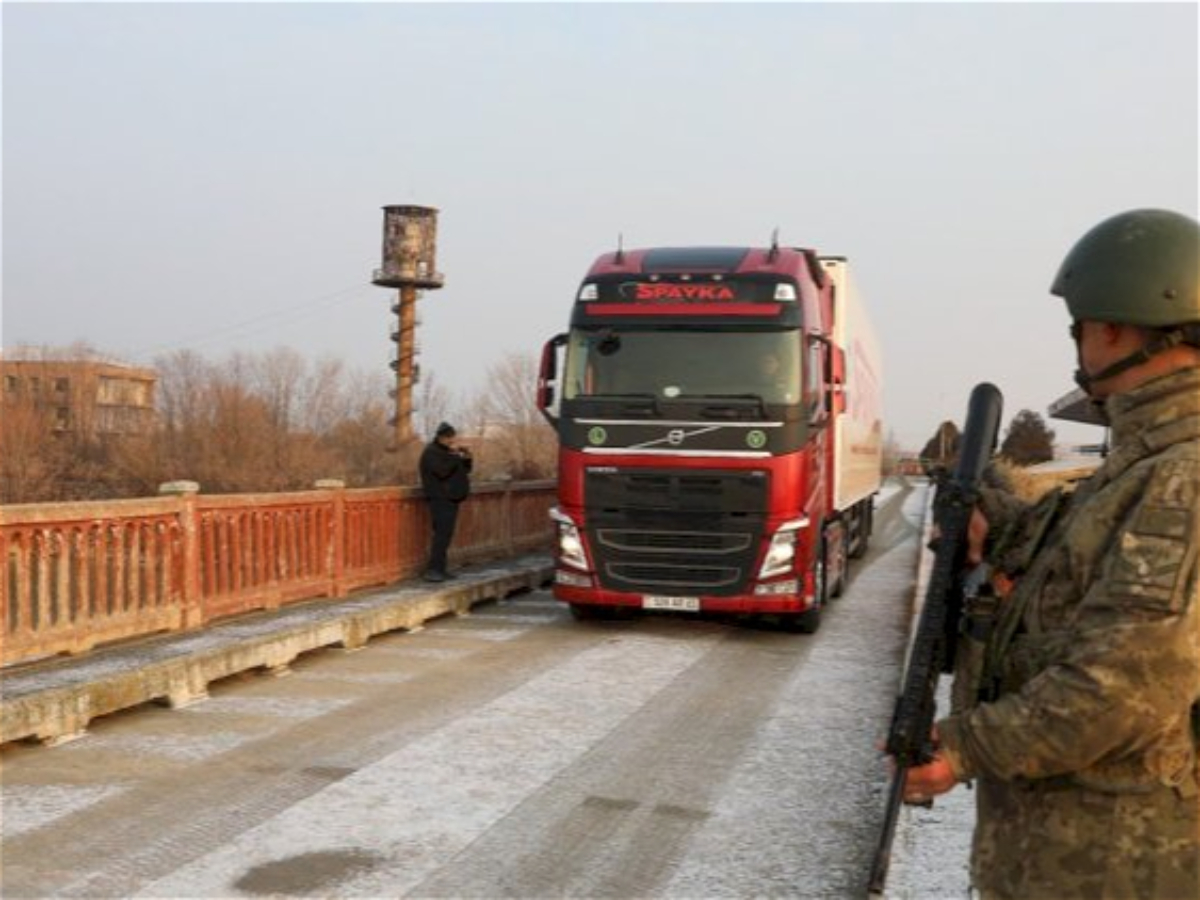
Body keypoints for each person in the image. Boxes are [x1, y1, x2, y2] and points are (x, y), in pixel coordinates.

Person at [901, 208, 1200, 900]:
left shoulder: (1180, 478)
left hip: (1113, 868)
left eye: (1080, 325)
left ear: (1112, 327)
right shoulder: (1140, 464)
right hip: (1069, 858)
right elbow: (1068, 563)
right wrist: (991, 520)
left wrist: (960, 748)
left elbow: (1126, 692)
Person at [418, 421, 472, 582]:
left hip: (451, 498)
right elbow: (442, 472)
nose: (451, 441)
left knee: (446, 535)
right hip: (440, 499)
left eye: (452, 438)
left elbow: (465, 470)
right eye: (448, 438)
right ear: (440, 437)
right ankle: (433, 570)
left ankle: (440, 568)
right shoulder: (431, 453)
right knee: (441, 535)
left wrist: (467, 458)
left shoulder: (445, 453)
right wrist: (455, 458)